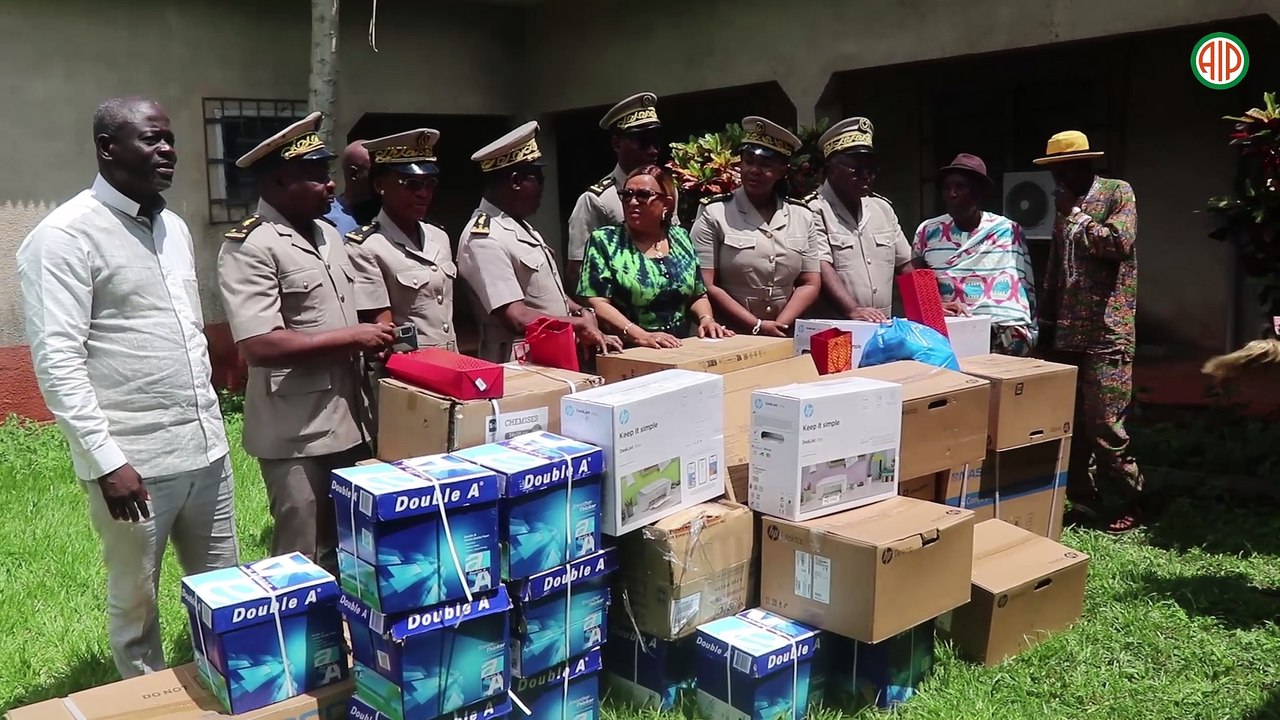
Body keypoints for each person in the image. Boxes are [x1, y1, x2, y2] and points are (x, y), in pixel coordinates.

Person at [16, 97, 237, 678]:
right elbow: (58, 360)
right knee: (137, 601)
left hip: (207, 449)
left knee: (225, 589)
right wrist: (107, 461)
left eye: (169, 139)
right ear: (107, 147)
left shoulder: (174, 227)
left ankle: (228, 680)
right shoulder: (63, 237)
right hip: (132, 462)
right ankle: (144, 700)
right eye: (150, 139)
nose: (167, 151)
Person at [217, 112, 395, 573]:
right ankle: (295, 646)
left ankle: (346, 643)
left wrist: (370, 339)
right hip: (295, 430)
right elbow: (259, 345)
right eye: (315, 176)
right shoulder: (250, 246)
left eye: (327, 174)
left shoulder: (329, 235)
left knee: (355, 545)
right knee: (301, 552)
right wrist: (354, 337)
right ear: (279, 181)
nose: (330, 186)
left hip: (351, 419)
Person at [1035, 130, 1143, 533]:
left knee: (1105, 425)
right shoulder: (1064, 206)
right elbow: (1055, 271)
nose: (1059, 180)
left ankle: (1132, 498)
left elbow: (1119, 242)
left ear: (1084, 166)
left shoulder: (1117, 193)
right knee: (1071, 424)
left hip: (1107, 332)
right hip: (1068, 332)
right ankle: (1086, 499)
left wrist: (1076, 215)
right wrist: (1044, 321)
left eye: (1065, 170)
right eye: (1054, 172)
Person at [457, 121, 621, 362]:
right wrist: (578, 325)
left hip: (550, 355)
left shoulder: (518, 226)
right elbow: (517, 317)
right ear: (515, 181)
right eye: (539, 180)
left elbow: (544, 295)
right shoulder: (484, 239)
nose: (543, 189)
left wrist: (581, 310)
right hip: (517, 365)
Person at [691, 116, 822, 337]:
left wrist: (780, 325)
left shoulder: (802, 215)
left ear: (782, 170)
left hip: (784, 331)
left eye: (765, 165)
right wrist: (757, 325)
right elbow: (705, 284)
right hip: (730, 333)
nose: (754, 170)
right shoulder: (714, 212)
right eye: (749, 161)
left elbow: (810, 281)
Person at [577, 165, 732, 347]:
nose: (633, 202)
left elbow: (698, 295)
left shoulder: (680, 237)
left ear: (666, 203)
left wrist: (706, 319)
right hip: (628, 349)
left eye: (643, 195)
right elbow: (596, 301)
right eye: (626, 195)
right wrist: (640, 335)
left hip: (680, 346)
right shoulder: (605, 241)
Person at [913, 153, 1038, 355]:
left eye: (960, 187)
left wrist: (1032, 331)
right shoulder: (928, 231)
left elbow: (1026, 286)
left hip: (1001, 333)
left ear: (979, 192)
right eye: (947, 187)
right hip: (948, 333)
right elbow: (917, 280)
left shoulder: (1006, 230)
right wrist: (935, 304)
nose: (951, 194)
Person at [346, 128, 457, 351]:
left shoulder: (439, 236)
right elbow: (382, 327)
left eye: (429, 183)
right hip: (408, 369)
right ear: (379, 185)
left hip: (452, 361)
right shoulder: (365, 247)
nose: (423, 193)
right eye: (411, 183)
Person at [805, 116, 913, 322]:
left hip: (882, 324)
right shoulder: (812, 210)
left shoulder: (883, 209)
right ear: (831, 168)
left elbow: (905, 265)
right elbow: (821, 266)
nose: (866, 176)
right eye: (857, 169)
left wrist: (929, 303)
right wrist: (853, 310)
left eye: (871, 169)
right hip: (837, 328)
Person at [566, 92, 675, 294]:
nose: (653, 151)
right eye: (643, 142)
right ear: (617, 144)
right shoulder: (597, 200)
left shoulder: (666, 189)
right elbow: (578, 272)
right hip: (622, 315)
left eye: (656, 141)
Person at [324, 140, 374, 235]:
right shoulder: (327, 218)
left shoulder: (393, 211)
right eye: (374, 171)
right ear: (354, 174)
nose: (381, 177)